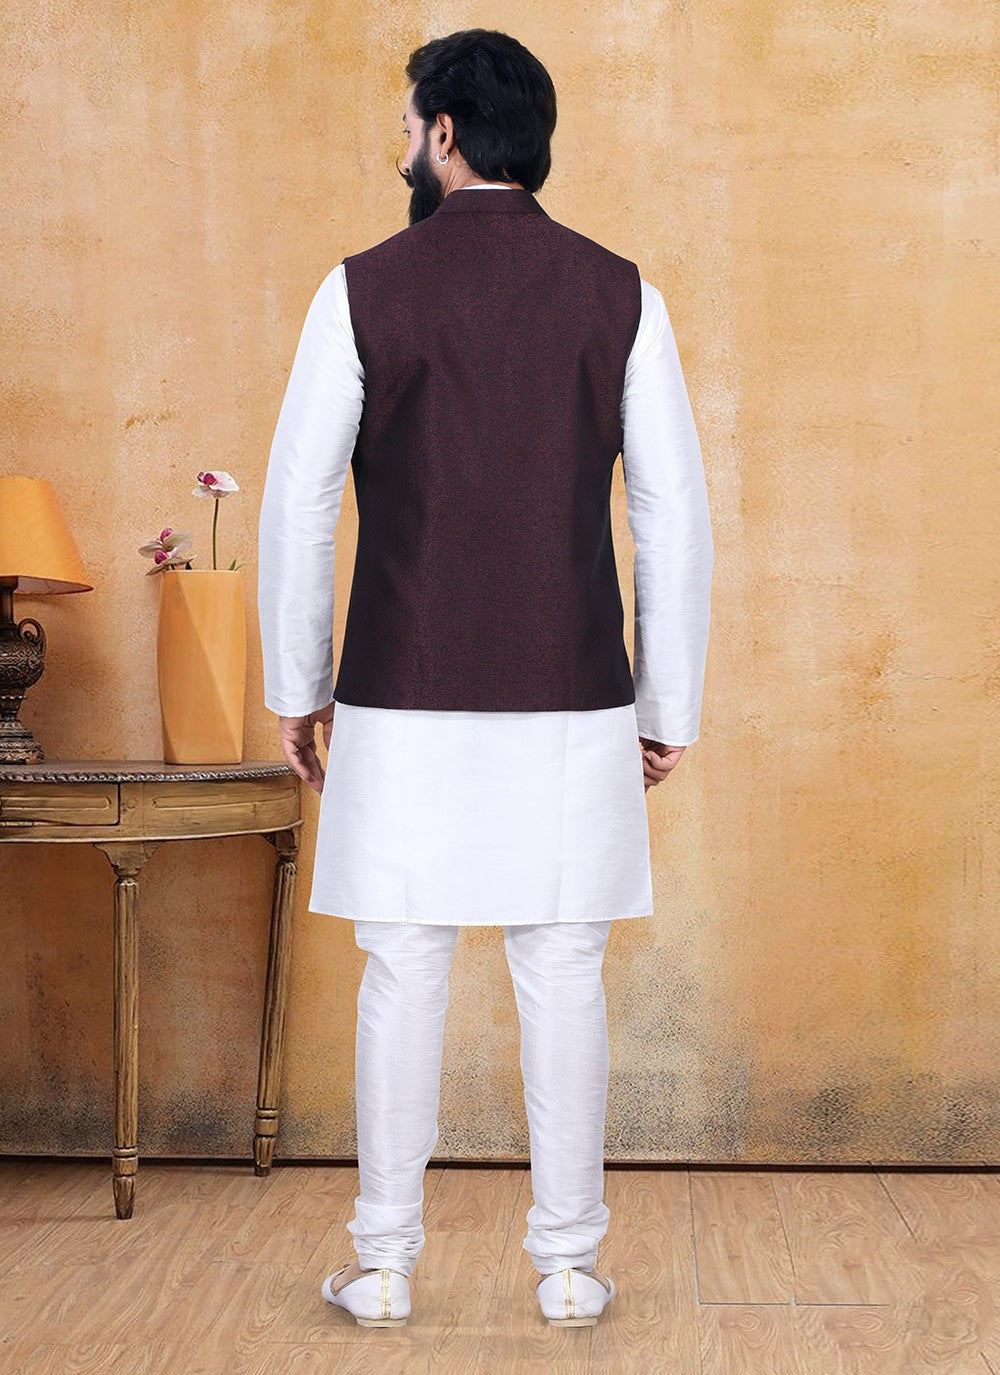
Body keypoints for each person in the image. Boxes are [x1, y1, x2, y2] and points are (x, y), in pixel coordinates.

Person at [257, 28, 713, 1330]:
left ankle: (384, 1264)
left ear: (446, 134)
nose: (402, 145)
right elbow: (671, 517)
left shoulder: (360, 289)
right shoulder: (621, 293)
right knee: (563, 971)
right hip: (573, 693)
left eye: (410, 126)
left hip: (400, 687)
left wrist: (299, 685)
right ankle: (566, 1266)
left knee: (402, 968)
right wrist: (668, 704)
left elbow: (298, 505)